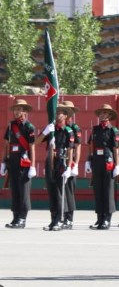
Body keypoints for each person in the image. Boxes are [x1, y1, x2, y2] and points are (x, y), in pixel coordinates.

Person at [36, 103, 75, 231]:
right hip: (50, 162)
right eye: (56, 112)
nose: (57, 115)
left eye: (60, 113)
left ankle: (60, 219)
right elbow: (36, 142)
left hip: (61, 163)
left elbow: (70, 150)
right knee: (52, 191)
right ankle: (53, 219)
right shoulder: (51, 129)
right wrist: (46, 132)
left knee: (59, 192)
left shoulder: (68, 131)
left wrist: (69, 167)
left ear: (65, 116)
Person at [2, 99, 37, 229]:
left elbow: (32, 146)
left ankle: (22, 218)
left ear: (24, 111)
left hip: (24, 163)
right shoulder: (11, 126)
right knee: (15, 190)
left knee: (23, 191)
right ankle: (15, 217)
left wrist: (33, 166)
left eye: (19, 109)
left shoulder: (29, 127)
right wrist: (4, 162)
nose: (16, 112)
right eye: (15, 109)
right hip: (13, 162)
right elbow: (6, 144)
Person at [87, 104, 119, 230]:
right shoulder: (95, 129)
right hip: (97, 161)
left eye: (105, 113)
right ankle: (100, 217)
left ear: (109, 115)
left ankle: (107, 219)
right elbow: (91, 146)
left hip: (108, 162)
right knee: (98, 189)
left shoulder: (113, 130)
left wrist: (117, 165)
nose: (102, 114)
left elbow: (115, 149)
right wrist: (88, 161)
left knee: (108, 190)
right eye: (101, 112)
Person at [61, 100, 82, 229]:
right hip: (60, 161)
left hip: (71, 162)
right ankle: (62, 216)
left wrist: (76, 164)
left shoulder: (75, 128)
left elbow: (78, 147)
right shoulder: (60, 127)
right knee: (60, 190)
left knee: (69, 191)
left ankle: (69, 218)